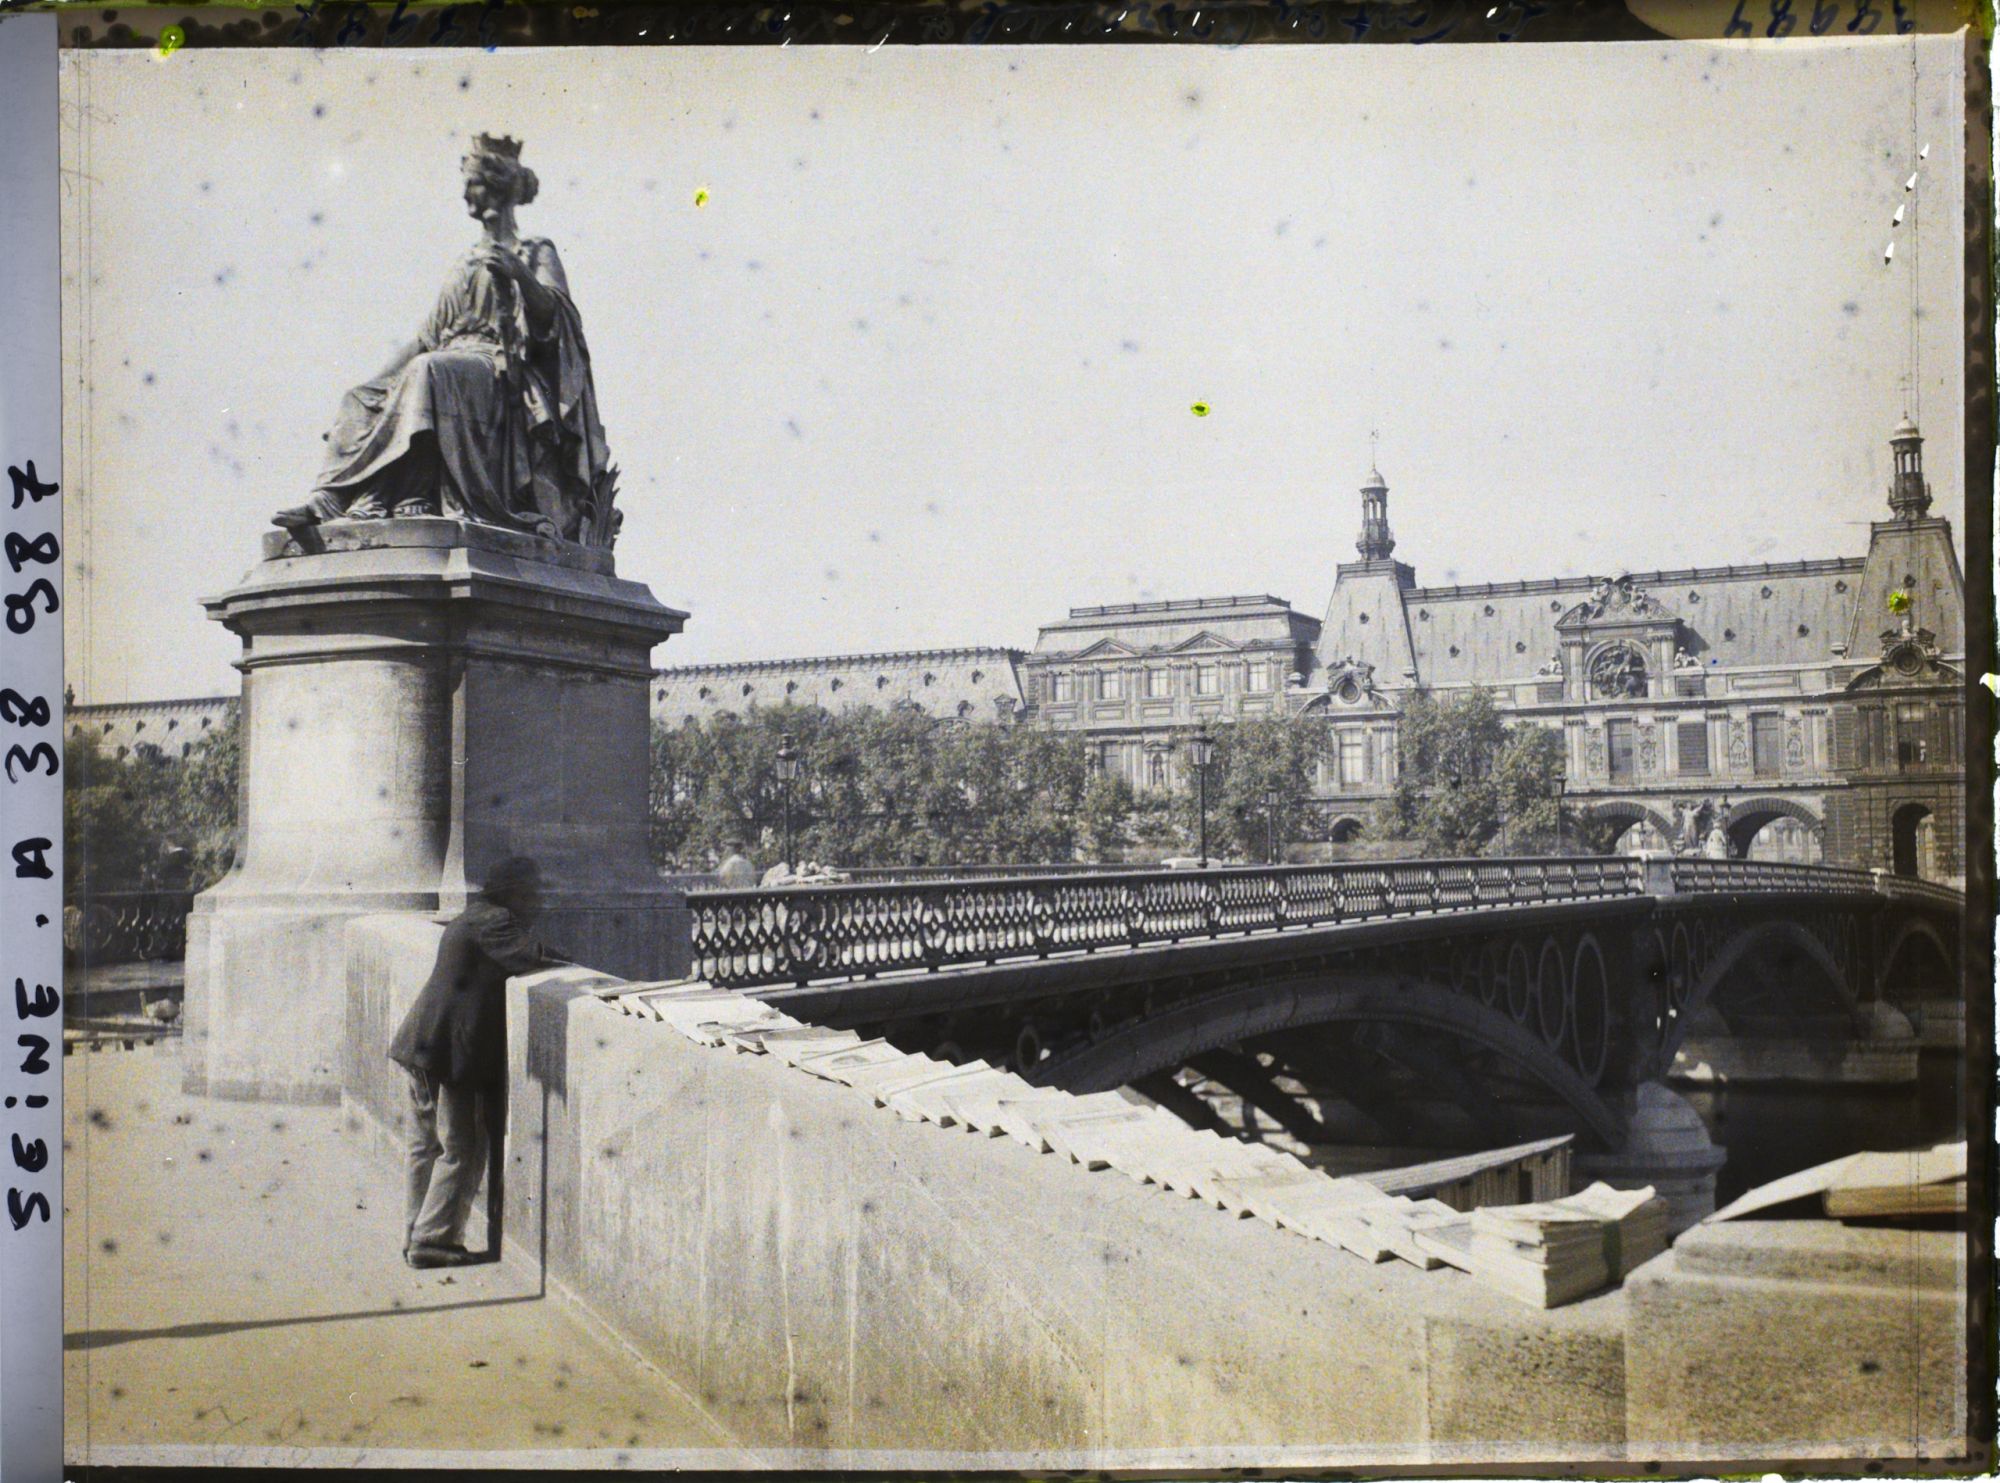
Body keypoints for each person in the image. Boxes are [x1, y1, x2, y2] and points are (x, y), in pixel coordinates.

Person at [274, 134, 617, 546]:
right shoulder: (464, 261)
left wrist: (519, 274)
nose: (465, 193)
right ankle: (330, 499)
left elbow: (559, 319)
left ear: (498, 186)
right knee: (360, 396)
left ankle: (410, 493)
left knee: (428, 372)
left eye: (473, 183)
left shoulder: (534, 250)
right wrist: (376, 383)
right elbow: (426, 338)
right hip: (448, 363)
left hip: (496, 368)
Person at [387, 855, 564, 1268]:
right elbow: (530, 955)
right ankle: (433, 1241)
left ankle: (414, 1232)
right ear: (514, 893)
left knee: (425, 1146)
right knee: (462, 1149)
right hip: (451, 1053)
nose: (537, 901)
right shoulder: (496, 920)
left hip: (422, 1044)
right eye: (532, 893)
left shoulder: (472, 916)